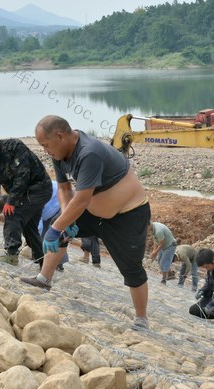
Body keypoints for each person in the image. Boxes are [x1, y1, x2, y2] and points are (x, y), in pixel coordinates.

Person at [25, 115, 152, 331]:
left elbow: (82, 198)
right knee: (62, 229)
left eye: (46, 145)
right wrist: (65, 220)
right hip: (92, 211)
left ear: (59, 136)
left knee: (132, 268)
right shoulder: (59, 153)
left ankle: (141, 319)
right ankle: (43, 279)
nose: (45, 151)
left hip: (128, 215)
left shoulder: (89, 152)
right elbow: (65, 189)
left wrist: (56, 227)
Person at [0, 131, 52, 267]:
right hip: (22, 193)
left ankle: (12, 255)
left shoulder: (14, 147)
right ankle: (44, 263)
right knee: (30, 228)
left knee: (12, 213)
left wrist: (11, 201)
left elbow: (22, 175)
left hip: (39, 189)